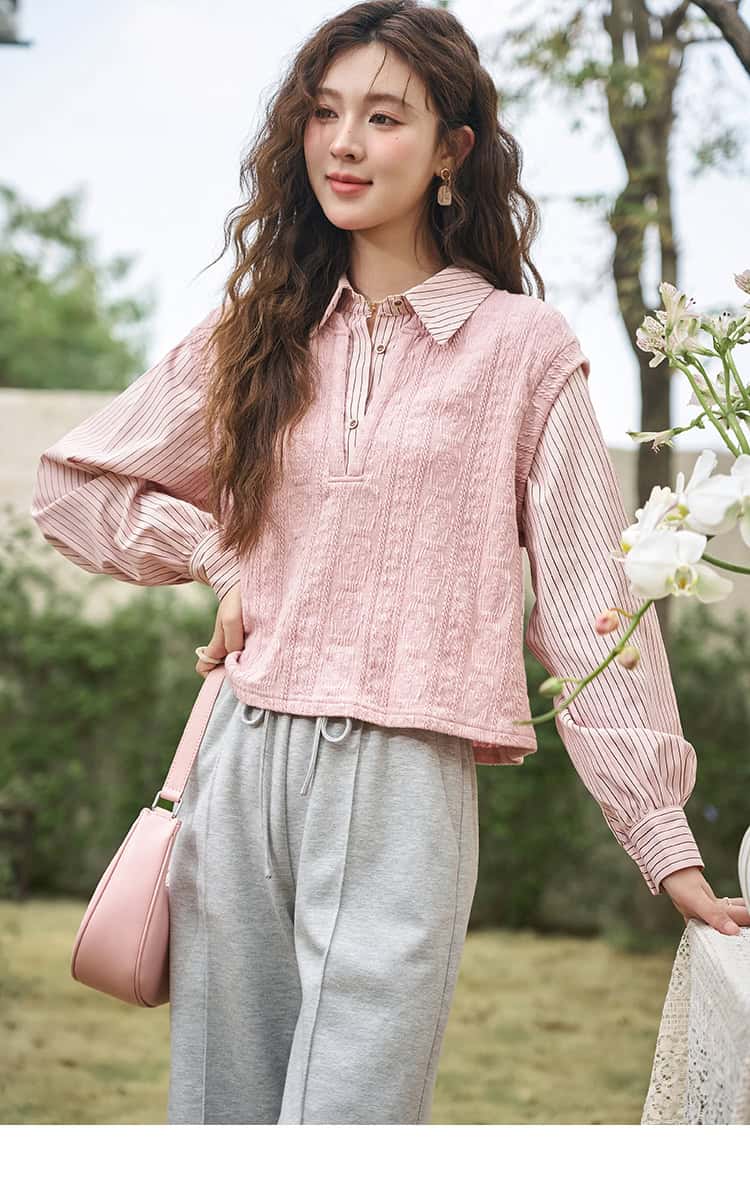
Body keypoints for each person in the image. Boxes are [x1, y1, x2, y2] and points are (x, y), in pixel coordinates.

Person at [30, 0, 749, 1125]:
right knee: (222, 1112)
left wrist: (667, 844)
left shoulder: (524, 352)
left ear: (453, 151)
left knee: (352, 1123)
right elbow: (73, 486)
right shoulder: (254, 334)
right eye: (323, 114)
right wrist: (219, 553)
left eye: (383, 117)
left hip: (408, 780)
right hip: (244, 755)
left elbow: (586, 605)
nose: (345, 144)